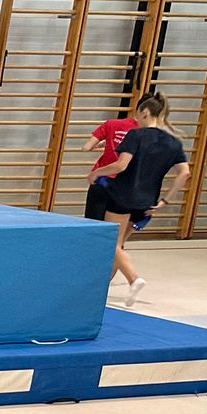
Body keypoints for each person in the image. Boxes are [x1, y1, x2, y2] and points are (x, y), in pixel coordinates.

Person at [87, 93, 188, 308]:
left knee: (112, 244)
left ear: (145, 113)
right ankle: (100, 290)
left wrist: (97, 173)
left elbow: (121, 165)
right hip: (148, 201)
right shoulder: (173, 142)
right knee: (118, 247)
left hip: (123, 196)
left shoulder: (136, 135)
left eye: (138, 115)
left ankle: (134, 279)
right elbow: (184, 173)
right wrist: (166, 201)